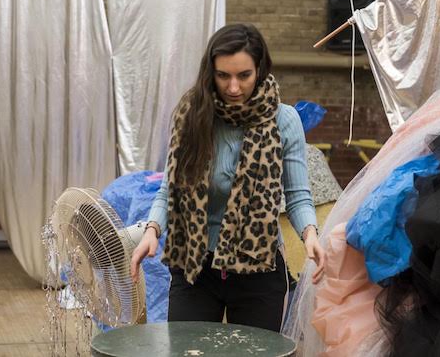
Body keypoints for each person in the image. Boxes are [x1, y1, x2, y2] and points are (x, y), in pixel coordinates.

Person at [130, 23, 325, 332]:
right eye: (223, 76)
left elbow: (298, 195)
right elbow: (171, 189)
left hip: (258, 269)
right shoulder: (192, 115)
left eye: (243, 76)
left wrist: (311, 234)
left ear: (260, 69)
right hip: (194, 267)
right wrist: (153, 230)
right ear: (211, 72)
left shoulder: (284, 121)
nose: (233, 87)